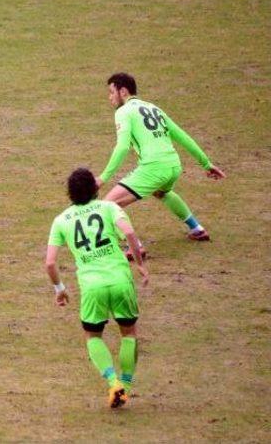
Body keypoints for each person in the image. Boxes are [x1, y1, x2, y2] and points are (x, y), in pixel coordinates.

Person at [46, 168, 148, 408]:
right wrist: (141, 265)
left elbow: (50, 262)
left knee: (93, 336)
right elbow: (130, 234)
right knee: (129, 333)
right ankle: (126, 386)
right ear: (96, 189)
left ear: (69, 194)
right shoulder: (110, 208)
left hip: (92, 287)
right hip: (120, 281)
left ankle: (113, 383)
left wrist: (59, 288)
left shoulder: (61, 220)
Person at [96, 73, 226, 255]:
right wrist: (206, 164)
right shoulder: (153, 108)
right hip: (173, 166)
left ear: (123, 91)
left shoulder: (123, 112)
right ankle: (196, 229)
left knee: (107, 206)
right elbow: (183, 136)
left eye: (111, 92)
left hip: (154, 167)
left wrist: (103, 178)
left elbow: (122, 147)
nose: (110, 98)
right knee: (161, 192)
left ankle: (135, 247)